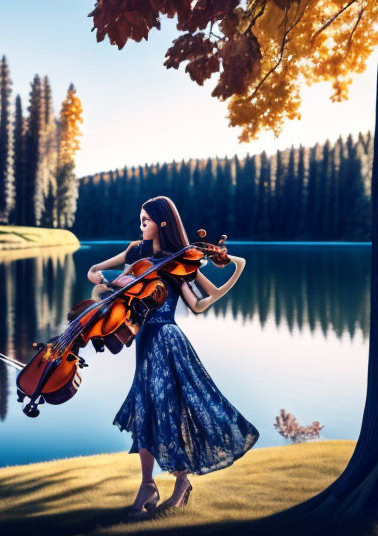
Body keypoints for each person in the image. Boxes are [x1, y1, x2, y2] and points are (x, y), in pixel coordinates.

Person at [86, 195, 259, 516]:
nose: (141, 226)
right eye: (140, 220)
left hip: (168, 339)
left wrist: (236, 270)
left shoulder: (179, 259)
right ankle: (147, 485)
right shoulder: (135, 251)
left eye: (146, 221)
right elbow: (102, 275)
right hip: (142, 339)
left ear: (162, 222)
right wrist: (96, 281)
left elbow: (199, 302)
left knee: (168, 406)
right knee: (146, 406)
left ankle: (181, 481)